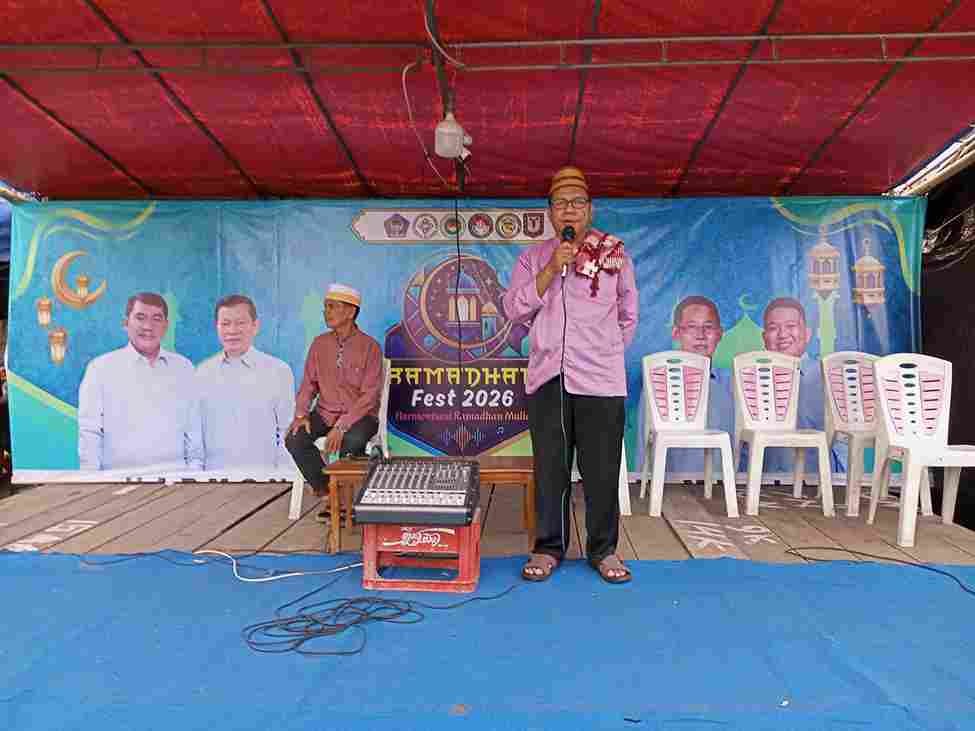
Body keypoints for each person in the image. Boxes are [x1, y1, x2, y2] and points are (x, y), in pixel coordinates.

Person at [502, 166, 638, 584]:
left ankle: (604, 550)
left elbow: (628, 314)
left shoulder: (614, 254)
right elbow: (513, 309)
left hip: (601, 378)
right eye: (560, 203)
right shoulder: (533, 258)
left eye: (578, 203)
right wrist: (550, 270)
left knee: (601, 470)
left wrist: (605, 351)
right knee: (551, 469)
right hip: (549, 377)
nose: (569, 210)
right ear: (550, 213)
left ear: (590, 210)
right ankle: (548, 548)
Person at [286, 284, 382, 522]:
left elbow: (369, 396)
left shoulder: (370, 347)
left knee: (352, 441)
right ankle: (329, 493)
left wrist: (342, 426)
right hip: (325, 412)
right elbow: (308, 384)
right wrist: (301, 414)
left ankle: (342, 500)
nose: (326, 312)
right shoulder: (319, 344)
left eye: (332, 307)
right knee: (295, 438)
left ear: (350, 312)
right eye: (325, 307)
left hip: (360, 416)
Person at [78, 292, 203, 472]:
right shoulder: (100, 369)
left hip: (175, 479)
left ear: (166, 326)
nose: (148, 326)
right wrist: (92, 480)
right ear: (125, 323)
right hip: (118, 480)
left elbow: (193, 432)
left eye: (156, 319)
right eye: (140, 317)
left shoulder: (184, 368)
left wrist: (194, 475)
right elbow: (90, 433)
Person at [196, 295, 295, 472]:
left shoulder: (278, 371)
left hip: (265, 478)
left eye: (240, 323)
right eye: (225, 323)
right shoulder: (202, 373)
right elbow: (195, 434)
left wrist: (282, 478)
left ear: (255, 326)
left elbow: (286, 431)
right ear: (217, 327)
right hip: (214, 478)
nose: (232, 330)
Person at [760, 297, 845, 477]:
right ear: (764, 337)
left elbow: (844, 441)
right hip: (764, 482)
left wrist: (840, 482)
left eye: (791, 326)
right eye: (773, 328)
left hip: (818, 482)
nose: (783, 334)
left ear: (807, 334)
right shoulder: (752, 379)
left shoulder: (828, 376)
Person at [662, 296, 734, 477]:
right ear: (676, 333)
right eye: (691, 327)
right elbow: (646, 447)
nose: (700, 335)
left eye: (708, 327)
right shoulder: (659, 383)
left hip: (723, 486)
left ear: (720, 333)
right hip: (674, 487)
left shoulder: (734, 385)